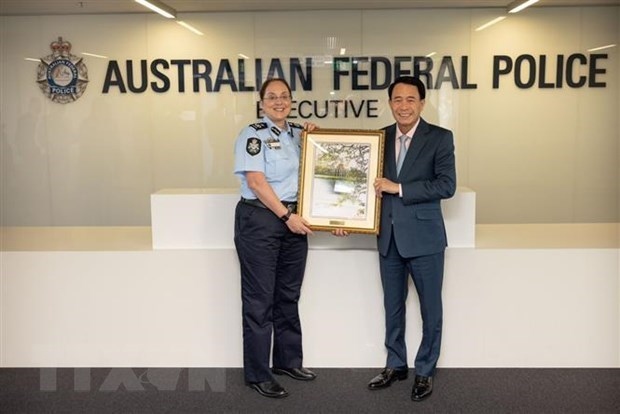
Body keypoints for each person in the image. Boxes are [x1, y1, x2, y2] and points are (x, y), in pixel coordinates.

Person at [369, 76, 456, 401]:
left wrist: (399, 188)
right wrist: (345, 217)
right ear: (390, 103)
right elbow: (365, 188)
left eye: (410, 100)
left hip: (425, 238)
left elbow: (447, 185)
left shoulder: (440, 138)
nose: (403, 106)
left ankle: (425, 371)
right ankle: (395, 364)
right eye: (397, 100)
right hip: (388, 237)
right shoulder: (379, 138)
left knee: (430, 308)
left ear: (422, 103)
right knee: (392, 306)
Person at [233, 78, 317, 399]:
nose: (279, 101)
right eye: (272, 97)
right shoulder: (252, 135)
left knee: (287, 295)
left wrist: (318, 138)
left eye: (284, 96)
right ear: (262, 102)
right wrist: (286, 216)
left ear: (292, 101)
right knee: (259, 301)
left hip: (294, 220)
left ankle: (287, 361)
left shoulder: (299, 134)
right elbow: (256, 182)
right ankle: (258, 373)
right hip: (262, 221)